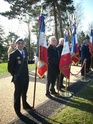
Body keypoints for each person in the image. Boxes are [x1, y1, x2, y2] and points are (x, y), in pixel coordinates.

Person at [8, 38, 34, 118]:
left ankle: (25, 104)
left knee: (24, 92)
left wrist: (34, 61)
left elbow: (26, 61)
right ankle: (17, 110)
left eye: (22, 43)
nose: (20, 45)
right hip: (18, 78)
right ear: (16, 44)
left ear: (24, 44)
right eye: (18, 43)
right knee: (17, 94)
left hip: (26, 76)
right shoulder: (13, 54)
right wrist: (15, 75)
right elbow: (10, 68)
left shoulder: (24, 52)